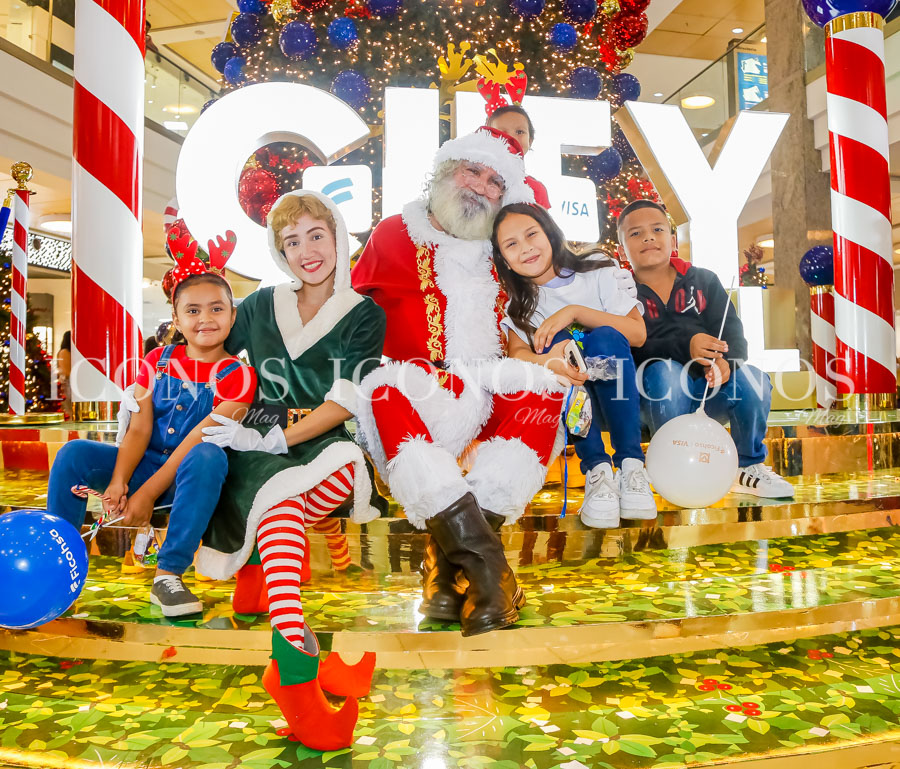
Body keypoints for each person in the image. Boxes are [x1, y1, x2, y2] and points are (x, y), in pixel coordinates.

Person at [351, 126, 566, 638]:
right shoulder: (393, 233)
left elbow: (526, 319)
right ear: (447, 171)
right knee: (386, 385)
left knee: (544, 389)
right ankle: (491, 574)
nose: (481, 186)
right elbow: (351, 314)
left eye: (496, 181)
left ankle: (447, 576)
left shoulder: (505, 246)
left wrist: (543, 357)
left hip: (491, 387)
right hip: (424, 397)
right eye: (473, 169)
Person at [195, 190, 386, 750]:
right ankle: (302, 675)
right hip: (252, 443)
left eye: (316, 235)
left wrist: (280, 435)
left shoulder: (363, 313)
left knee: (281, 497)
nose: (306, 250)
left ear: (338, 236)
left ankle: (296, 680)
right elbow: (207, 348)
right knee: (276, 504)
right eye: (291, 240)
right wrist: (154, 381)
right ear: (279, 251)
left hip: (328, 443)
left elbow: (346, 400)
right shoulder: (258, 305)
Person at [47, 246, 257, 618]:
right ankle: (59, 570)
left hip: (190, 479)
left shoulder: (240, 376)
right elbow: (140, 428)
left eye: (216, 308)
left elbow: (197, 440)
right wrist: (118, 481)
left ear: (232, 314)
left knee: (208, 454)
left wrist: (144, 494)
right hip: (146, 464)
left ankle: (168, 574)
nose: (204, 318)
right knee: (74, 453)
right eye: (192, 310)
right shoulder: (154, 362)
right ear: (176, 317)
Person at [492, 202, 656, 528]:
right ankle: (598, 472)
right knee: (556, 344)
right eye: (511, 244)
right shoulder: (518, 307)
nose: (525, 248)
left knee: (605, 336)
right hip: (574, 397)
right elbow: (518, 355)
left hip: (618, 388)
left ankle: (631, 467)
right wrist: (550, 360)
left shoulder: (598, 272)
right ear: (503, 258)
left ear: (550, 233)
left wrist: (575, 311)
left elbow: (637, 334)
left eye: (531, 234)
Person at [619, 199, 794, 498]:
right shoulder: (617, 290)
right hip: (650, 400)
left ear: (673, 240)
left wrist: (727, 363)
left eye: (657, 229)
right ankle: (667, 463)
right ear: (622, 249)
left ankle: (747, 466)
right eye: (635, 233)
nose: (648, 237)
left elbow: (735, 337)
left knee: (752, 378)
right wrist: (686, 347)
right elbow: (629, 350)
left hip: (706, 397)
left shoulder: (703, 281)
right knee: (665, 372)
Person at [487, 105, 550, 209]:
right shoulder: (475, 178)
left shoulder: (536, 190)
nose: (511, 138)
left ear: (530, 140)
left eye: (520, 132)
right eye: (501, 132)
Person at [55, 331, 72, 419]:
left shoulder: (63, 352)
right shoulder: (65, 352)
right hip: (69, 382)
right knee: (69, 406)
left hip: (67, 381)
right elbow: (66, 371)